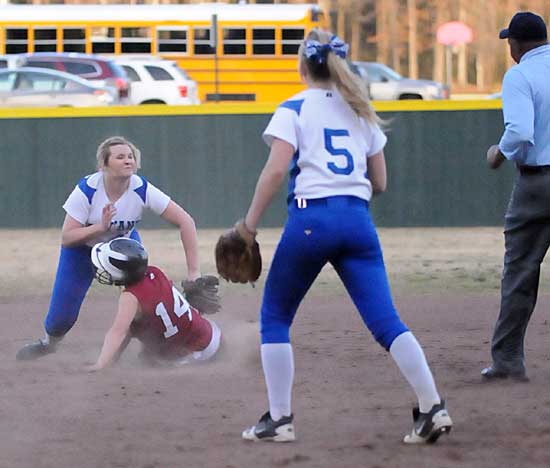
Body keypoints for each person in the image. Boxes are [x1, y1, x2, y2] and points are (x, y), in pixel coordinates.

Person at [237, 29, 452, 444]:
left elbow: (276, 171)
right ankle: (432, 407)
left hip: (311, 221)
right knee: (386, 321)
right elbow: (381, 182)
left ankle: (279, 420)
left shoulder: (293, 108)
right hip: (358, 221)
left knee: (276, 318)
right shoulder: (360, 110)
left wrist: (248, 225)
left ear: (303, 65)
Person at [17, 136, 202, 361]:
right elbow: (67, 238)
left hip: (123, 248)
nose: (128, 161)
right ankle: (49, 344)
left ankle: (159, 348)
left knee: (149, 299)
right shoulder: (88, 190)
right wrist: (100, 227)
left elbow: (186, 222)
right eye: (120, 157)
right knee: (61, 318)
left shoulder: (140, 188)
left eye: (131, 156)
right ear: (104, 165)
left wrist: (194, 273)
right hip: (81, 250)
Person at [482, 12, 550, 382]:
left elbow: (521, 130)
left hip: (537, 183)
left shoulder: (520, 74)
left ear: (518, 44)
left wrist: (498, 152)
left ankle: (508, 360)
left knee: (520, 272)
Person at [87, 238, 221, 370]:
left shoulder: (130, 298)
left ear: (120, 273)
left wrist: (102, 364)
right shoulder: (155, 272)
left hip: (193, 353)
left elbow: (118, 332)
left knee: (150, 361)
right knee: (145, 346)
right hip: (212, 335)